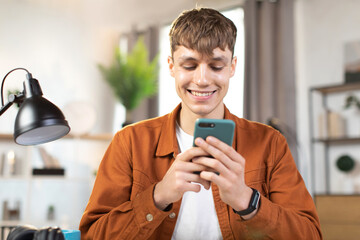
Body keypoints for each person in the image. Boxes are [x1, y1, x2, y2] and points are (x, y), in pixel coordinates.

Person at [79, 8, 322, 240]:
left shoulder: (270, 143)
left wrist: (247, 201)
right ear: (172, 66)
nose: (202, 79)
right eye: (189, 65)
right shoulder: (129, 142)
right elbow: (92, 235)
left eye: (216, 65)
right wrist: (158, 196)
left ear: (232, 67)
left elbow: (310, 234)